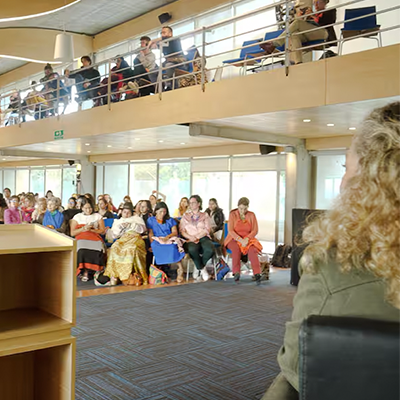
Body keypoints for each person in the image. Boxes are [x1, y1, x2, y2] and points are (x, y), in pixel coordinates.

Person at [262, 102, 400, 399]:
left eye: (347, 168)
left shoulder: (331, 269)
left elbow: (298, 371)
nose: (341, 183)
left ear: (368, 183)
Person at [262, 0, 337, 65]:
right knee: (294, 34)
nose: (315, 5)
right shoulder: (313, 14)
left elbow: (327, 21)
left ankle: (274, 44)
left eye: (317, 2)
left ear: (324, 2)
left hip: (324, 34)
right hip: (311, 34)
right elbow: (302, 26)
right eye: (314, 3)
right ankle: (298, 62)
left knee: (297, 22)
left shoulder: (330, 11)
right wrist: (303, 17)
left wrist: (313, 16)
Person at [104, 203, 148, 285]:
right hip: (123, 239)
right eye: (124, 212)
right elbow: (114, 235)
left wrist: (132, 225)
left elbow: (143, 229)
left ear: (132, 212)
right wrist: (121, 227)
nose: (126, 214)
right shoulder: (118, 221)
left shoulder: (136, 219)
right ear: (122, 212)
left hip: (135, 237)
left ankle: (131, 275)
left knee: (131, 248)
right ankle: (115, 275)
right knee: (114, 247)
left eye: (128, 212)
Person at [225, 197, 263, 283]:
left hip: (247, 239)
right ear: (238, 207)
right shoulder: (232, 214)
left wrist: (247, 239)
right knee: (236, 249)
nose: (242, 211)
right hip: (233, 239)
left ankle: (257, 273)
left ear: (248, 207)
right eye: (241, 208)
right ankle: (236, 272)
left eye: (245, 209)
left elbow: (255, 230)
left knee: (252, 249)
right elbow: (231, 230)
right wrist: (240, 240)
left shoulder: (251, 215)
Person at [147, 202, 186, 283]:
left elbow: (174, 232)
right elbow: (150, 233)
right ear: (156, 211)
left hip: (169, 237)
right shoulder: (151, 220)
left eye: (164, 212)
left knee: (172, 247)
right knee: (155, 246)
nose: (163, 214)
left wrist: (166, 238)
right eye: (161, 212)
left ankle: (180, 269)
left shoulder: (170, 220)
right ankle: (159, 271)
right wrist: (152, 243)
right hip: (157, 239)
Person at [180, 195, 215, 281]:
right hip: (190, 238)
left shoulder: (205, 215)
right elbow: (182, 230)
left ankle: (198, 265)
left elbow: (207, 229)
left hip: (203, 236)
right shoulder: (185, 216)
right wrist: (191, 237)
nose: (191, 204)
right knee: (192, 249)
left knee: (210, 249)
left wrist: (197, 236)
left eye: (193, 202)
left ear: (199, 204)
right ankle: (202, 269)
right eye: (190, 203)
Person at [70, 197, 106, 281]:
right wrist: (83, 228)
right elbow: (72, 233)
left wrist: (92, 229)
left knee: (98, 249)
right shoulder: (77, 217)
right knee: (82, 249)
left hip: (94, 236)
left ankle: (96, 270)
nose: (88, 210)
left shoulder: (97, 216)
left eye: (90, 208)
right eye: (86, 208)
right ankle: (84, 271)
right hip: (81, 237)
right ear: (82, 208)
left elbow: (102, 231)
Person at [150, 26, 187, 90]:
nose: (162, 34)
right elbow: (153, 46)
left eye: (164, 32)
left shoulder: (175, 39)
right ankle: (160, 89)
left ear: (170, 33)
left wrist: (153, 40)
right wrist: (151, 44)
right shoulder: (163, 43)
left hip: (179, 61)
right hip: (168, 62)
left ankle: (172, 87)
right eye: (161, 33)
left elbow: (163, 40)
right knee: (152, 72)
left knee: (168, 65)